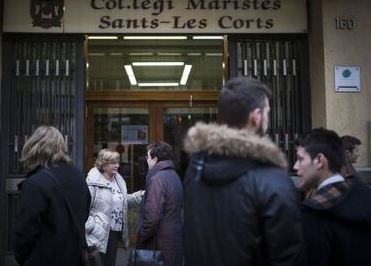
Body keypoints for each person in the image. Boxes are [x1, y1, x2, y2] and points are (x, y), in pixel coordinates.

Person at [183, 77, 305, 266]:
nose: (268, 118)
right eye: (268, 112)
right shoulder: (273, 180)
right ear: (256, 117)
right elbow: (287, 257)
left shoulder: (196, 169)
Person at [13, 126, 90, 266]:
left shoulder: (35, 182)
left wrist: (23, 258)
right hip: (76, 258)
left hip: (46, 258)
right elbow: (84, 213)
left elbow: (25, 231)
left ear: (33, 147)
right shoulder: (78, 176)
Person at [293, 128, 371, 266]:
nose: (295, 166)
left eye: (300, 159)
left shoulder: (312, 213)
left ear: (319, 160)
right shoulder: (364, 194)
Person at [85, 149, 144, 266]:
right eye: (113, 162)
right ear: (103, 164)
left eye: (117, 162)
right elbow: (84, 207)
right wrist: (92, 226)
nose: (117, 165)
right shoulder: (93, 182)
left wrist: (141, 195)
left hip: (114, 233)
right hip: (97, 234)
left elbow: (123, 202)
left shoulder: (118, 179)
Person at [138, 141, 183, 266]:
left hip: (159, 243)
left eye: (148, 157)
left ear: (155, 159)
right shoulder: (173, 175)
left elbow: (152, 217)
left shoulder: (157, 179)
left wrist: (141, 235)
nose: (146, 160)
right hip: (173, 239)